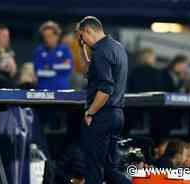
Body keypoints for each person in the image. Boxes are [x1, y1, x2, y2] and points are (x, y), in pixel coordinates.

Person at [76, 16, 131, 184]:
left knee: (93, 168)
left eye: (82, 36)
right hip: (117, 115)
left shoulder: (100, 52)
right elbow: (91, 72)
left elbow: (105, 89)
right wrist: (82, 49)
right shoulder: (117, 47)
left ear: (88, 31)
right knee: (109, 169)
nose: (81, 40)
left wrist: (90, 112)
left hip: (102, 115)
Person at [33, 21, 73, 90]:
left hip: (62, 88)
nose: (46, 39)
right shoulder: (39, 50)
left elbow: (68, 67)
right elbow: (38, 71)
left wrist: (50, 66)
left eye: (49, 36)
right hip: (43, 88)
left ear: (57, 36)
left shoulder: (65, 49)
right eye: (44, 37)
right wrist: (57, 68)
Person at [0, 24, 17, 88]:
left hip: (8, 80)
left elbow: (13, 71)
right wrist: (4, 60)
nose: (7, 39)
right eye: (4, 36)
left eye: (8, 36)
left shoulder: (10, 52)